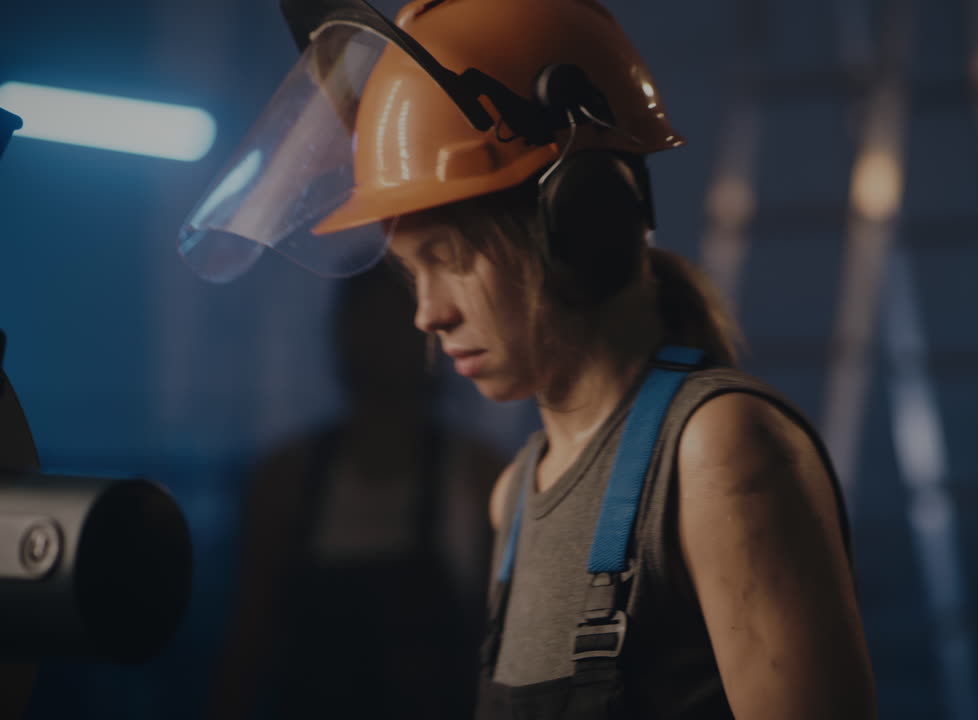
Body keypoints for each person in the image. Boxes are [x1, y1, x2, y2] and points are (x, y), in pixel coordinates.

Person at [184, 1, 876, 717]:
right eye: (411, 274)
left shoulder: (720, 455)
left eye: (448, 260)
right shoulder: (514, 494)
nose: (427, 314)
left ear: (580, 219)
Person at [208, 261, 501, 720]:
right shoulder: (287, 476)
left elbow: (498, 644)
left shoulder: (479, 475)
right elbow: (248, 639)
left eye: (395, 314)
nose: (379, 335)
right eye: (365, 314)